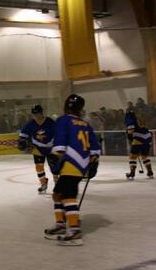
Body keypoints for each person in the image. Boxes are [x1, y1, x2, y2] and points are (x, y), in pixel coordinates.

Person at [44, 94, 101, 246]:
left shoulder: (63, 120)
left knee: (68, 196)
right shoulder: (85, 124)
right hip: (81, 164)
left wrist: (56, 156)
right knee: (57, 195)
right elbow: (95, 147)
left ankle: (74, 230)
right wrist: (94, 162)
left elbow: (60, 140)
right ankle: (61, 225)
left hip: (70, 163)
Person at [17, 104, 58, 194]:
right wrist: (21, 140)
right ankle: (43, 183)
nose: (36, 116)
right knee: (39, 167)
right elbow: (24, 133)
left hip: (51, 148)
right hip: (38, 148)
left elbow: (58, 133)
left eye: (37, 114)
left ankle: (57, 184)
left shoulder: (50, 122)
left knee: (54, 168)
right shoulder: (31, 124)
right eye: (34, 115)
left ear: (42, 113)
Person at [124, 110, 153, 180]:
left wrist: (130, 136)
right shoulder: (138, 119)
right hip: (148, 138)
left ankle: (132, 173)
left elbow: (130, 128)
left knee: (133, 157)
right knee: (144, 156)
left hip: (139, 138)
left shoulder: (129, 119)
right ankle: (150, 172)